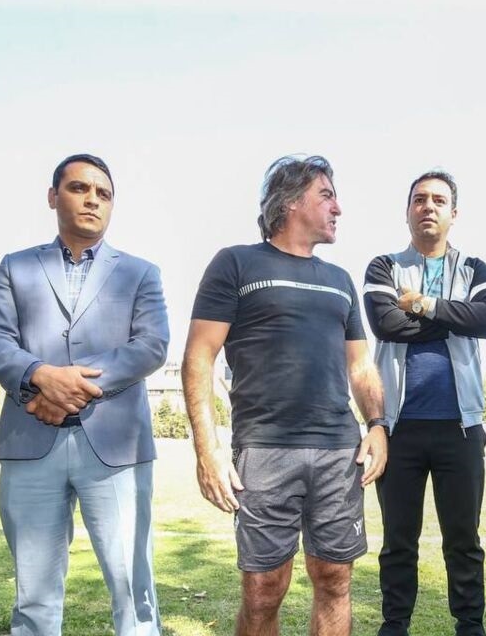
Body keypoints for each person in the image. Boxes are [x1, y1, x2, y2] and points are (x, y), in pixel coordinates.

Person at [182, 155, 387, 636]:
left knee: (335, 579)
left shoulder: (340, 281)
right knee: (263, 590)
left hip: (339, 452)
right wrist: (207, 450)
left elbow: (360, 365)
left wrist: (378, 425)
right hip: (264, 451)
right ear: (291, 201)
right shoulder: (236, 263)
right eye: (326, 195)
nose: (338, 208)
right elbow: (199, 358)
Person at [0, 154, 169, 635]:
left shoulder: (141, 272)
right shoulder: (16, 267)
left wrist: (71, 387)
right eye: (80, 188)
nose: (92, 200)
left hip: (116, 450)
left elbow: (151, 345)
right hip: (30, 442)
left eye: (104, 194)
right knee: (33, 596)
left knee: (134, 590)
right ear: (52, 196)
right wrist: (39, 374)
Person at [362, 170, 486, 636]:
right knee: (398, 541)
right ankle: (395, 625)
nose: (428, 206)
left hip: (460, 428)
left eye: (439, 200)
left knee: (463, 541)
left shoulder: (475, 269)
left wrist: (423, 305)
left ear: (453, 214)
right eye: (419, 199)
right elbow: (386, 325)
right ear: (407, 211)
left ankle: (470, 626)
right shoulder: (383, 267)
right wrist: (458, 317)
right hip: (398, 429)